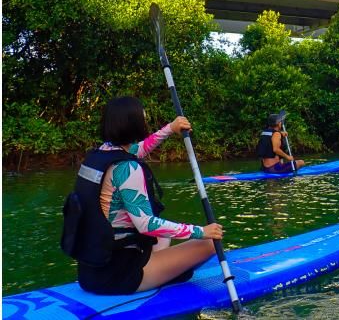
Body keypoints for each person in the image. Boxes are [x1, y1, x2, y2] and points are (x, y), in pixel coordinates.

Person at [61, 96, 222, 295]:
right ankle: (164, 275)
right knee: (210, 243)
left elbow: (139, 149)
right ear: (134, 123)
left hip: (90, 272)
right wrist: (201, 231)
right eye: (143, 117)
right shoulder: (127, 167)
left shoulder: (99, 155)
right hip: (119, 276)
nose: (146, 119)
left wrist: (170, 128)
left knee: (161, 238)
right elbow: (146, 224)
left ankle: (164, 271)